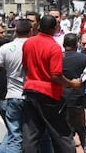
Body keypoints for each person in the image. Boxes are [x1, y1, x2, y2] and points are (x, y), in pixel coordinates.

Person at [22, 15, 81, 152]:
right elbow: (56, 76)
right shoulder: (54, 47)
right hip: (49, 94)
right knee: (62, 134)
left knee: (31, 134)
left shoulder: (28, 43)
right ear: (55, 28)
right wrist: (72, 84)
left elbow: (25, 66)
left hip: (30, 90)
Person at [0, 19, 32, 153]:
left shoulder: (6, 48)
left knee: (14, 134)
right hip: (31, 95)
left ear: (15, 31)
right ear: (30, 31)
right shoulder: (34, 46)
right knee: (28, 134)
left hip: (12, 96)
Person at [62, 33, 86, 153]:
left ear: (64, 45)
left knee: (64, 130)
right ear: (77, 44)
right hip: (77, 99)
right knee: (82, 129)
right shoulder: (84, 58)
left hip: (61, 98)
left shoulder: (58, 57)